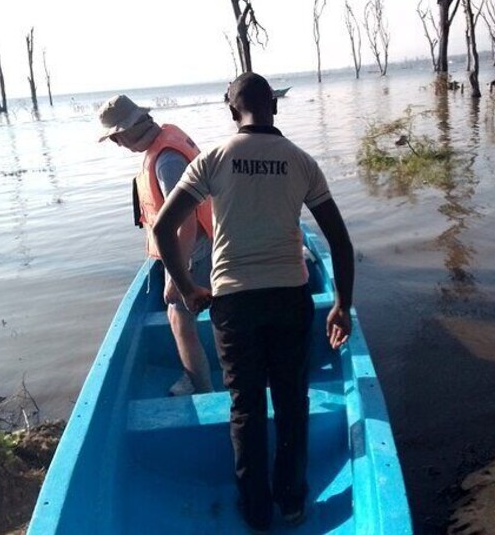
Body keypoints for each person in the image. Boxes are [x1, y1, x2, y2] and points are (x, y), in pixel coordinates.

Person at [153, 72, 354, 531]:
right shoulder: (301, 162)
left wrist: (187, 289)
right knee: (291, 401)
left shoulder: (213, 160)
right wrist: (341, 304)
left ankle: (257, 511)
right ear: (274, 108)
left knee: (245, 407)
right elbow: (339, 241)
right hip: (289, 297)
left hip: (235, 304)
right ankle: (293, 502)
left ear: (230, 111)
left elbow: (164, 229)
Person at [97, 94, 214, 395]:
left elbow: (186, 223)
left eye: (115, 140)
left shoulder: (168, 161)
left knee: (178, 315)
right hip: (201, 243)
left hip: (195, 251)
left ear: (124, 133)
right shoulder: (164, 143)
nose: (118, 146)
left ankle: (200, 386)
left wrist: (178, 279)